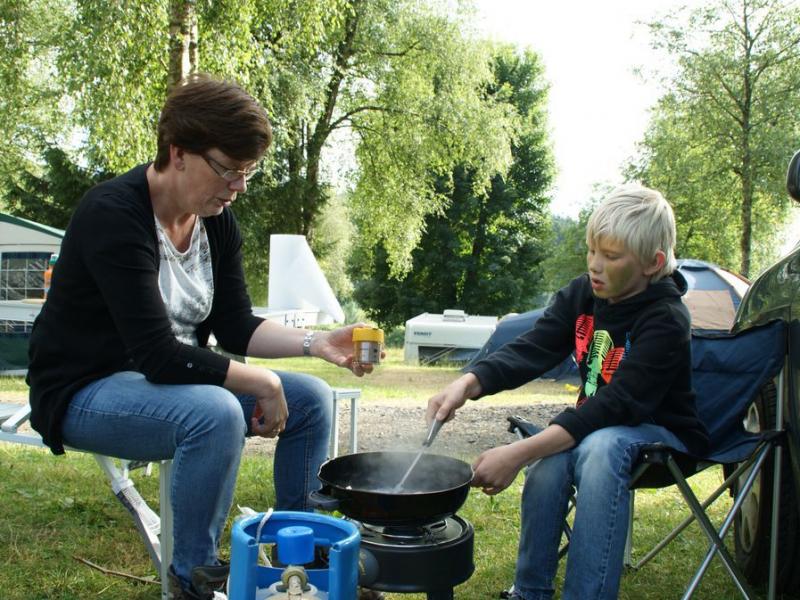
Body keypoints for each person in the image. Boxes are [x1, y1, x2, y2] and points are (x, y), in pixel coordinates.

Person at [27, 74, 373, 600]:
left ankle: (303, 566)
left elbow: (234, 326)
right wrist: (261, 384)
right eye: (229, 171)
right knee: (215, 413)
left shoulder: (216, 222)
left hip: (169, 380)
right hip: (84, 388)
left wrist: (317, 343)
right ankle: (196, 578)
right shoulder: (114, 215)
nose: (238, 188)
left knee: (312, 398)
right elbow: (158, 355)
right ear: (178, 152)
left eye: (247, 173)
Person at [426, 186, 710, 600]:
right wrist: (467, 383)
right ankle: (529, 591)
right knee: (550, 464)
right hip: (597, 427)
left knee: (599, 446)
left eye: (611, 257)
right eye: (592, 251)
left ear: (654, 263)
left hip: (662, 435)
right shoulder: (585, 293)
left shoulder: (666, 318)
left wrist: (519, 453)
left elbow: (617, 406)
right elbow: (533, 347)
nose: (595, 265)